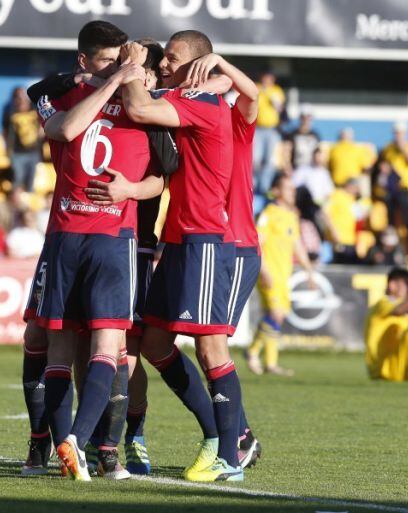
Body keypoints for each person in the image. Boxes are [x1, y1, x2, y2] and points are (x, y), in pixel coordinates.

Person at [35, 21, 157, 482]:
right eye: (107, 60)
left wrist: (128, 189)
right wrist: (114, 79)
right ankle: (64, 443)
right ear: (84, 62)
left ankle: (88, 446)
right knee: (57, 346)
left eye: (120, 59)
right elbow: (62, 126)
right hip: (64, 236)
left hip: (114, 239)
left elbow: (163, 177)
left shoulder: (144, 106)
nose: (119, 68)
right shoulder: (61, 96)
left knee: (114, 347)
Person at [122, 30, 244, 482]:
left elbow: (138, 107)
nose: (165, 63)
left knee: (211, 346)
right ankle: (218, 434)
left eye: (173, 57)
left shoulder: (202, 100)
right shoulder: (195, 96)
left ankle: (230, 454)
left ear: (196, 65)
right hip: (177, 240)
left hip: (205, 239)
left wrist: (131, 68)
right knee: (154, 344)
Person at [182, 49, 264, 468]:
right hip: (205, 242)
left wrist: (221, 66)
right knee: (185, 342)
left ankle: (237, 441)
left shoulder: (234, 119)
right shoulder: (190, 109)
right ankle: (233, 435)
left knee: (211, 343)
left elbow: (253, 95)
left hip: (235, 243)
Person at [247, 174, 315, 377]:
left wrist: (309, 271)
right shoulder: (269, 213)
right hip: (270, 272)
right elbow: (258, 241)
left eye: (293, 189)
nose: (291, 193)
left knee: (279, 315)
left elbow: (297, 246)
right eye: (287, 188)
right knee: (275, 313)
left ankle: (271, 363)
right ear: (276, 191)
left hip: (284, 274)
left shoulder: (292, 216)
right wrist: (264, 269)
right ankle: (252, 352)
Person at [380, 122, 408, 255]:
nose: (398, 136)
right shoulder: (388, 149)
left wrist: (403, 149)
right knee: (390, 224)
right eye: (396, 133)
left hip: (403, 189)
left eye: (400, 133)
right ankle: (390, 252)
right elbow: (384, 165)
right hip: (391, 190)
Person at [2, 87, 42, 190]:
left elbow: (42, 125)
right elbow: (5, 131)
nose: (21, 99)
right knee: (18, 180)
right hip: (17, 152)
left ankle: (29, 203)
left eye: (23, 96)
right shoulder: (9, 111)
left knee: (31, 182)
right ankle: (17, 203)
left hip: (34, 151)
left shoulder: (35, 108)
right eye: (18, 97)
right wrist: (6, 148)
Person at [253, 71, 285, 193]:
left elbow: (279, 107)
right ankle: (254, 185)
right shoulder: (256, 87)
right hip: (257, 129)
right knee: (255, 159)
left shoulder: (276, 90)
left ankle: (264, 187)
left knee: (270, 161)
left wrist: (268, 94)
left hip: (271, 130)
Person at [324, 178, 364, 265]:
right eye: (356, 188)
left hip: (351, 241)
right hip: (338, 240)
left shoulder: (353, 200)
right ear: (349, 186)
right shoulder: (337, 195)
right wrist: (334, 233)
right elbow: (326, 213)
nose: (356, 191)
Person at [283, 105, 319, 173]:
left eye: (308, 117)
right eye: (303, 117)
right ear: (300, 118)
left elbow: (319, 155)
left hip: (312, 169)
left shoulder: (315, 135)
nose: (306, 119)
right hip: (296, 169)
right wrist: (288, 167)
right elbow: (286, 153)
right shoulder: (292, 135)